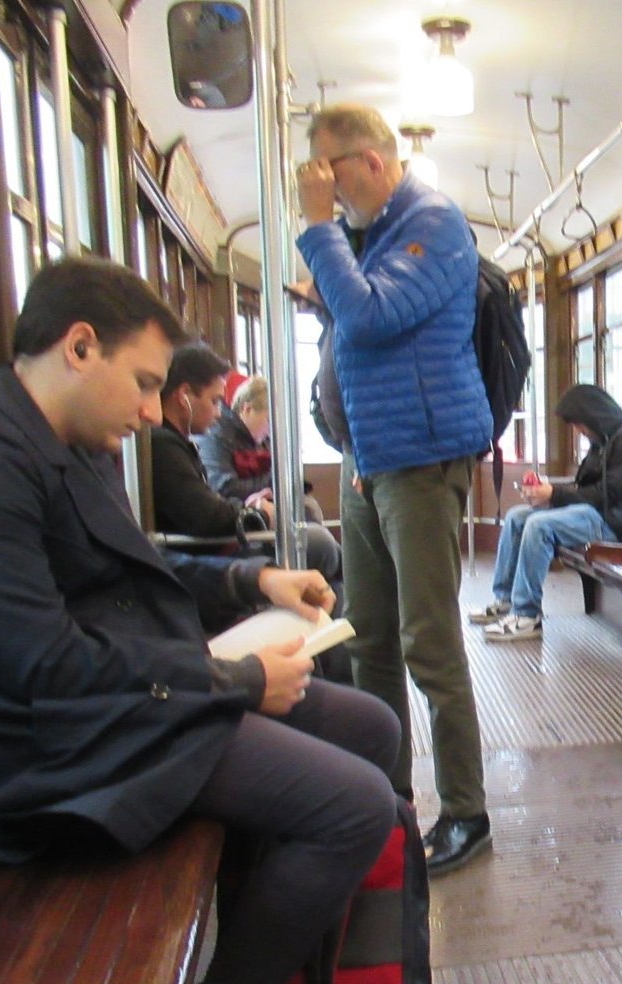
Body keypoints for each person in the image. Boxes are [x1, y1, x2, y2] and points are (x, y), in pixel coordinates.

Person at [0, 257, 404, 984]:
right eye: (147, 383)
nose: (156, 411)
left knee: (371, 727)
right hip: (35, 757)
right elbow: (43, 667)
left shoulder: (58, 448)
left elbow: (135, 572)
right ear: (81, 347)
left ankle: (279, 977)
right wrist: (234, 681)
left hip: (112, 711)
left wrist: (251, 581)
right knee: (354, 805)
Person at [296, 104, 491, 876]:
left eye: (332, 176)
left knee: (428, 642)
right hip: (367, 459)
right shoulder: (373, 235)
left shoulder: (433, 224)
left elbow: (373, 317)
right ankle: (390, 798)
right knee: (368, 636)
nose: (328, 193)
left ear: (371, 162)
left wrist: (318, 230)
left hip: (420, 462)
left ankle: (467, 812)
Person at [151, 343, 343, 616]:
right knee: (318, 544)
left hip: (209, 547)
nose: (219, 412)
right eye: (215, 401)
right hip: (199, 559)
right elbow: (206, 515)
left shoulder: (177, 442)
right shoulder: (165, 444)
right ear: (185, 396)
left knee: (326, 560)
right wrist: (257, 514)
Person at [470, 384, 622, 642]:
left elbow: (606, 495)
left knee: (539, 526)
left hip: (615, 524)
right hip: (594, 514)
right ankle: (505, 600)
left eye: (579, 424)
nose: (578, 430)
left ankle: (527, 615)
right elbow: (586, 487)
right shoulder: (603, 440)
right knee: (517, 517)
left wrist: (553, 494)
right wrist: (545, 491)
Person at [200, 375, 328, 525]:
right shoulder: (216, 436)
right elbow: (225, 487)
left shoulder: (262, 439)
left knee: (309, 509)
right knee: (314, 530)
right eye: (269, 420)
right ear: (247, 409)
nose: (271, 431)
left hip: (260, 507)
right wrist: (274, 480)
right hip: (237, 516)